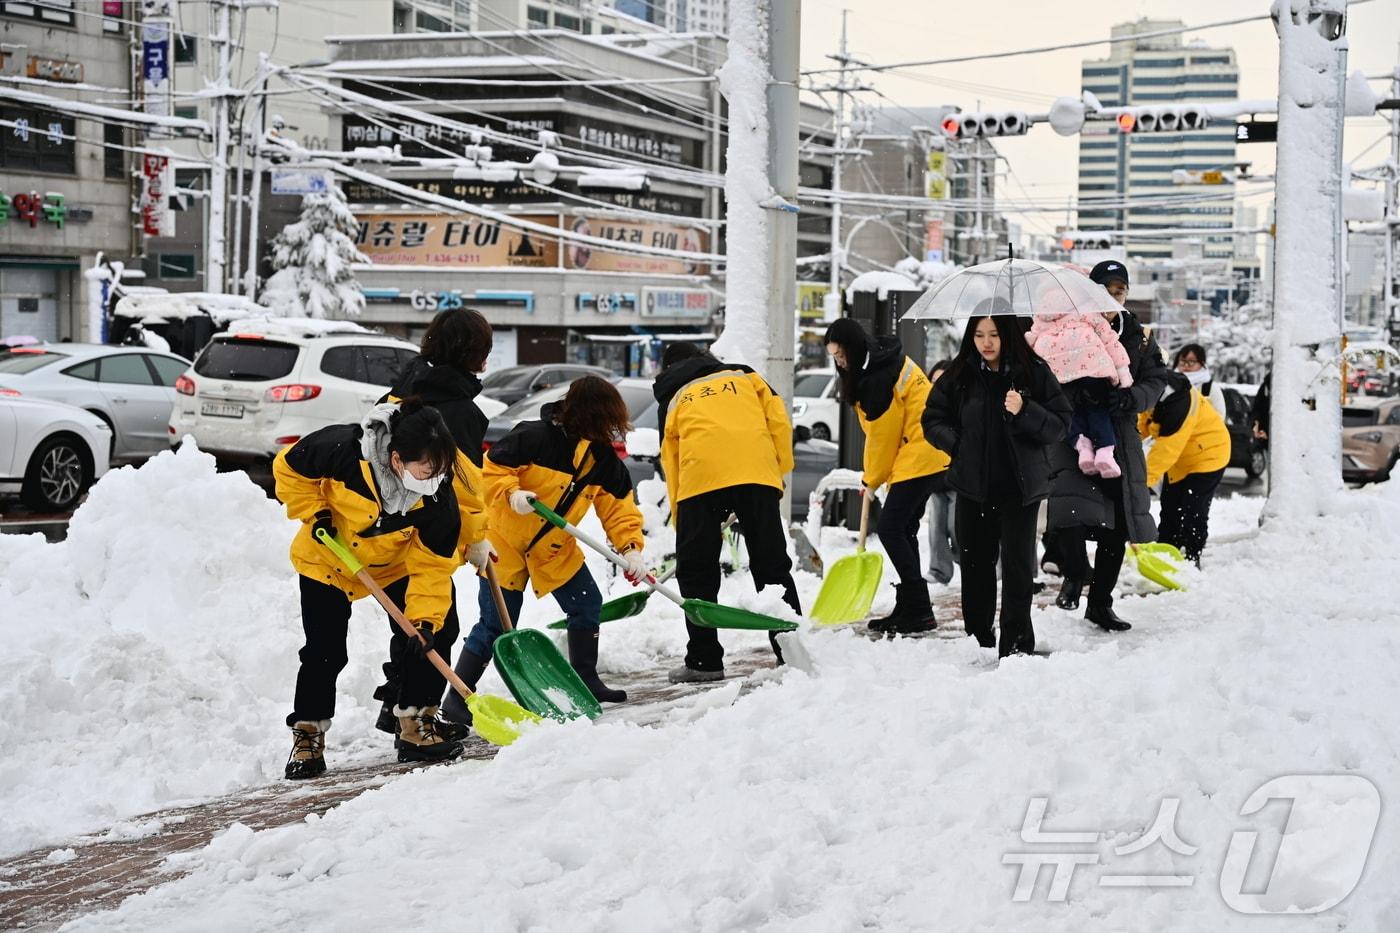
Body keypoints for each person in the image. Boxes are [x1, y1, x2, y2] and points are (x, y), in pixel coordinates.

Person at [273, 399, 465, 780]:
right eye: (426, 469)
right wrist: (316, 513)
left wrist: (424, 622)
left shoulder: (439, 498)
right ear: (396, 459)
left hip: (394, 563)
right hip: (328, 556)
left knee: (437, 632)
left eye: (440, 470)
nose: (434, 479)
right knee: (324, 651)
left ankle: (415, 725)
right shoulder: (342, 451)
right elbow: (288, 470)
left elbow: (432, 568)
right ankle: (307, 735)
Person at [444, 376, 643, 720]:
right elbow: (491, 471)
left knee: (587, 604)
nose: (608, 429)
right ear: (587, 414)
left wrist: (631, 548)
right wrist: (512, 493)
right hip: (504, 543)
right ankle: (458, 697)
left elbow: (618, 506)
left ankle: (585, 677)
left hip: (553, 546)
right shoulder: (534, 436)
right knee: (495, 625)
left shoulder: (600, 459)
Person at [921, 306, 1072, 658]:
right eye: (978, 335)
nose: (986, 343)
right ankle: (979, 637)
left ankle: (1016, 643)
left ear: (1008, 335)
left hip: (1019, 488)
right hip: (973, 486)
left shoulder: (1033, 372)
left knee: (1018, 568)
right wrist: (956, 444)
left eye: (994, 335)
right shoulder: (960, 374)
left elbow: (1060, 424)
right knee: (975, 565)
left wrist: (1026, 410)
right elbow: (932, 417)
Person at [372, 307, 494, 737]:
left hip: (384, 533)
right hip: (424, 538)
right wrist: (475, 540)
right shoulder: (457, 409)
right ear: (473, 353)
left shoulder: (400, 392)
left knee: (410, 624)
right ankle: (418, 721)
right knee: (436, 626)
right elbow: (464, 484)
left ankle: (397, 706)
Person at [654, 342, 800, 682]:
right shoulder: (745, 377)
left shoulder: (673, 395)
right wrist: (777, 473)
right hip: (756, 473)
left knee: (697, 572)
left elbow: (670, 460)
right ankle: (791, 651)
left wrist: (682, 516)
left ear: (669, 367)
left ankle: (704, 662)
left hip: (700, 479)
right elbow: (779, 422)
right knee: (771, 564)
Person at [1049, 259, 1171, 632]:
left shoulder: (1139, 335)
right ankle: (1073, 573)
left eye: (1120, 291)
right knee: (1067, 515)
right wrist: (1072, 390)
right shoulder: (1069, 326)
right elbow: (1047, 368)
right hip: (1074, 435)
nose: (1113, 298)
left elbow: (1156, 380)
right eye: (1105, 290)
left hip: (1120, 440)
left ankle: (1100, 603)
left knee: (1117, 529)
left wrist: (1132, 397)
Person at [823, 318, 948, 633]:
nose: (839, 362)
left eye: (840, 355)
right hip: (930, 449)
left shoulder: (876, 380)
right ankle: (913, 607)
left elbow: (883, 438)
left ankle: (918, 607)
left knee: (891, 528)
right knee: (904, 528)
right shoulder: (882, 359)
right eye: (834, 357)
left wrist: (871, 479)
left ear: (852, 348)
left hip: (921, 452)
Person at [1026, 298, 1134, 478]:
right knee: (1097, 408)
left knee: (1069, 411)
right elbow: (1108, 337)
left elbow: (1030, 339)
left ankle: (1081, 444)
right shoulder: (1085, 307)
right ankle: (1104, 452)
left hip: (1057, 371)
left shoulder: (1041, 314)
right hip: (1091, 366)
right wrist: (1122, 369)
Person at [1138, 377, 1231, 566]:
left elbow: (1166, 449)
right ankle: (1165, 549)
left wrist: (1140, 483)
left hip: (1209, 454)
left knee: (1194, 508)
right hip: (1182, 457)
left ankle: (1191, 556)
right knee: (1170, 505)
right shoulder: (1155, 389)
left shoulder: (1179, 401)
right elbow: (1143, 423)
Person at [924, 359, 959, 586]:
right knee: (936, 524)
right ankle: (938, 570)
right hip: (935, 476)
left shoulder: (960, 406)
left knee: (956, 526)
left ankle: (968, 560)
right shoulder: (926, 407)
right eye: (934, 380)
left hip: (958, 476)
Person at [1171, 343, 1226, 418]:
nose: (1186, 365)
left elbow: (1220, 417)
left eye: (1191, 362)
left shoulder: (1209, 388)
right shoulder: (1168, 385)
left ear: (1202, 363)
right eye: (1183, 361)